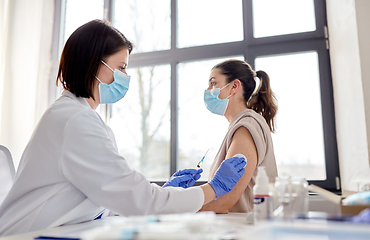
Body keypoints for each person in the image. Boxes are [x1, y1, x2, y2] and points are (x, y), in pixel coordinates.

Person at [0, 20, 246, 237]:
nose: (125, 76)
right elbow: (138, 201)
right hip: (26, 235)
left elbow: (108, 203)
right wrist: (212, 188)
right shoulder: (74, 121)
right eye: (120, 68)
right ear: (91, 64)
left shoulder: (83, 119)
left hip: (56, 230)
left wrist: (163, 193)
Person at [199, 59, 278, 214]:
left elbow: (222, 203)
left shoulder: (246, 126)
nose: (208, 90)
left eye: (213, 83)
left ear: (234, 86)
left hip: (244, 230)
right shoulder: (241, 124)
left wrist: (173, 208)